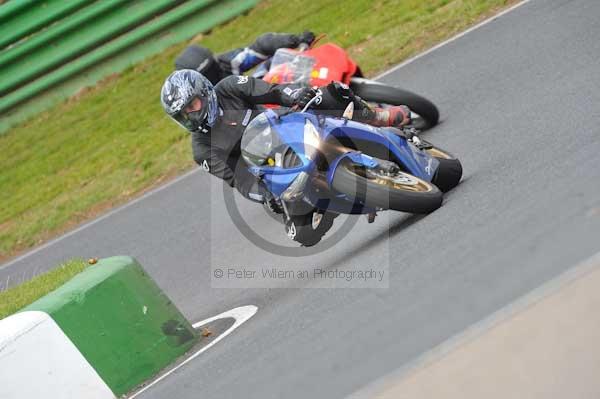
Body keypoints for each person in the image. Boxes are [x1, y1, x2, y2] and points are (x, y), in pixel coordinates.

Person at [160, 69, 411, 205]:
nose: (191, 116)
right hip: (275, 171)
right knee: (302, 234)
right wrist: (267, 196)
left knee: (332, 93)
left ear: (204, 92)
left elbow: (271, 91)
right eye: (183, 114)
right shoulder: (201, 149)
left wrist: (294, 96)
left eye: (191, 105)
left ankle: (378, 118)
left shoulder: (228, 87)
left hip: (287, 125)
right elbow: (239, 180)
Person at [174, 32, 316, 84]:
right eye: (207, 74)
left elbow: (261, 46)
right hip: (246, 131)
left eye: (212, 69)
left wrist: (295, 40)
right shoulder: (200, 106)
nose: (213, 75)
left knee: (274, 64)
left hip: (257, 97)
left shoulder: (226, 63)